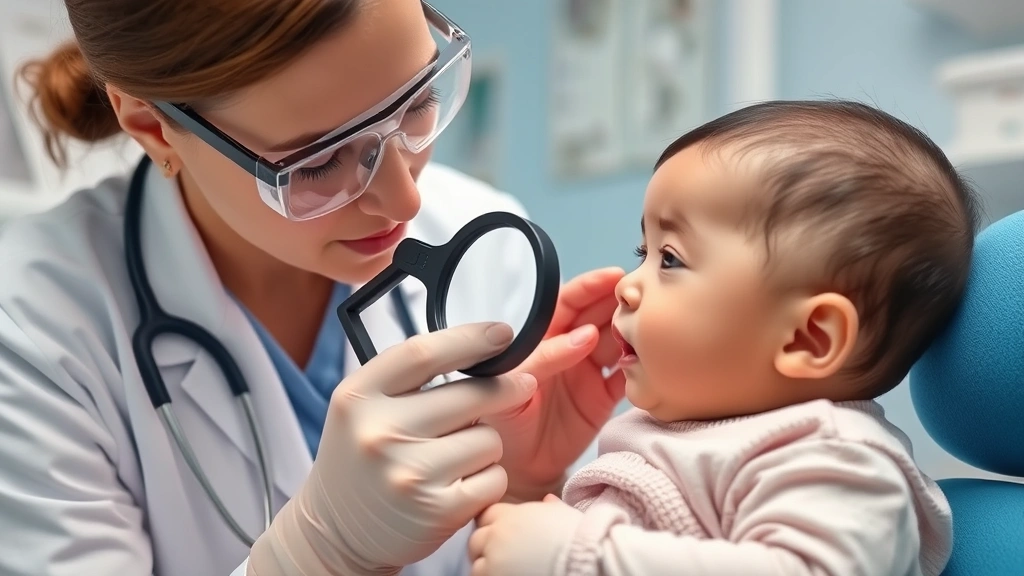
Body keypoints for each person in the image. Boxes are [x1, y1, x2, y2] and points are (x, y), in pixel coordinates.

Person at [0, 1, 628, 575]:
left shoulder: (483, 247)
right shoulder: (33, 330)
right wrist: (316, 555)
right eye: (319, 162)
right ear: (154, 126)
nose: (404, 198)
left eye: (415, 104)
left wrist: (522, 489)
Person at [468, 100, 979, 576]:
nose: (626, 286)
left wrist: (576, 557)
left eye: (670, 258)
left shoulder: (835, 459)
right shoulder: (672, 436)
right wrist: (528, 491)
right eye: (641, 251)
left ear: (808, 338)